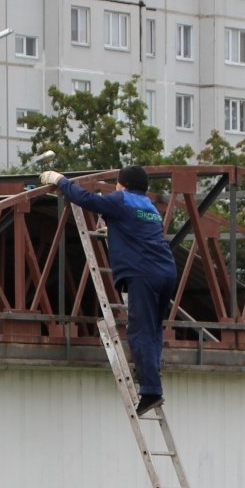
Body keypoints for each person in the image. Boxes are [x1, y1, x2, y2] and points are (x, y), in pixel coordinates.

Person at [39, 164, 178, 414]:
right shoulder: (151, 208)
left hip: (143, 274)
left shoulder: (120, 199)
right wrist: (113, 230)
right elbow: (140, 231)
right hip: (166, 272)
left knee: (139, 331)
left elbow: (85, 199)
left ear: (122, 184)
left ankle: (151, 390)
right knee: (153, 328)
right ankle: (151, 376)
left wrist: (60, 180)